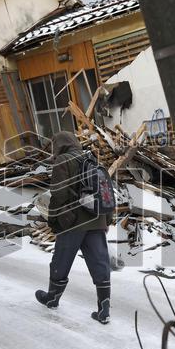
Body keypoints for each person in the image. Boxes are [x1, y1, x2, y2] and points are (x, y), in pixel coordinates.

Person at [35, 131, 112, 324]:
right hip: (96, 218)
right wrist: (107, 218)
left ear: (59, 145)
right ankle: (104, 309)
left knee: (61, 259)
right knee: (99, 262)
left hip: (73, 221)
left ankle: (52, 298)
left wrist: (53, 220)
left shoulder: (63, 161)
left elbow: (58, 194)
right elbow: (106, 189)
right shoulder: (90, 157)